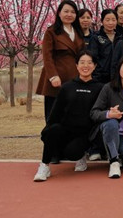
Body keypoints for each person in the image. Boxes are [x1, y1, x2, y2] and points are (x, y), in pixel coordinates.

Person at [33, 51, 103, 181]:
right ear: (76, 65)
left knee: (72, 153)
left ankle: (81, 156)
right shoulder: (67, 87)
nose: (85, 66)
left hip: (85, 134)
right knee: (52, 131)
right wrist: (47, 131)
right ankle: (44, 166)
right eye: (82, 62)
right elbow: (55, 113)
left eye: (89, 63)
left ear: (94, 66)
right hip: (66, 130)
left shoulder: (100, 88)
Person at [90, 55, 123, 179]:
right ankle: (114, 162)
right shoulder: (108, 88)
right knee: (111, 122)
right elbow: (94, 113)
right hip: (108, 131)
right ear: (119, 68)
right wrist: (109, 114)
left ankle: (115, 155)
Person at [36, 0, 85, 120]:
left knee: (72, 116)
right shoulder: (51, 32)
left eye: (73, 12)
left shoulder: (78, 32)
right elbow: (47, 56)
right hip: (57, 79)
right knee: (53, 116)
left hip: (75, 78)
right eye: (66, 11)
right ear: (59, 13)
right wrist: (53, 76)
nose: (69, 14)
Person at [89, 9, 122, 84]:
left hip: (117, 77)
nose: (110, 23)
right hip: (100, 78)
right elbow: (92, 58)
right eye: (107, 20)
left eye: (113, 20)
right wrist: (96, 75)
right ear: (102, 21)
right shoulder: (96, 37)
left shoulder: (120, 38)